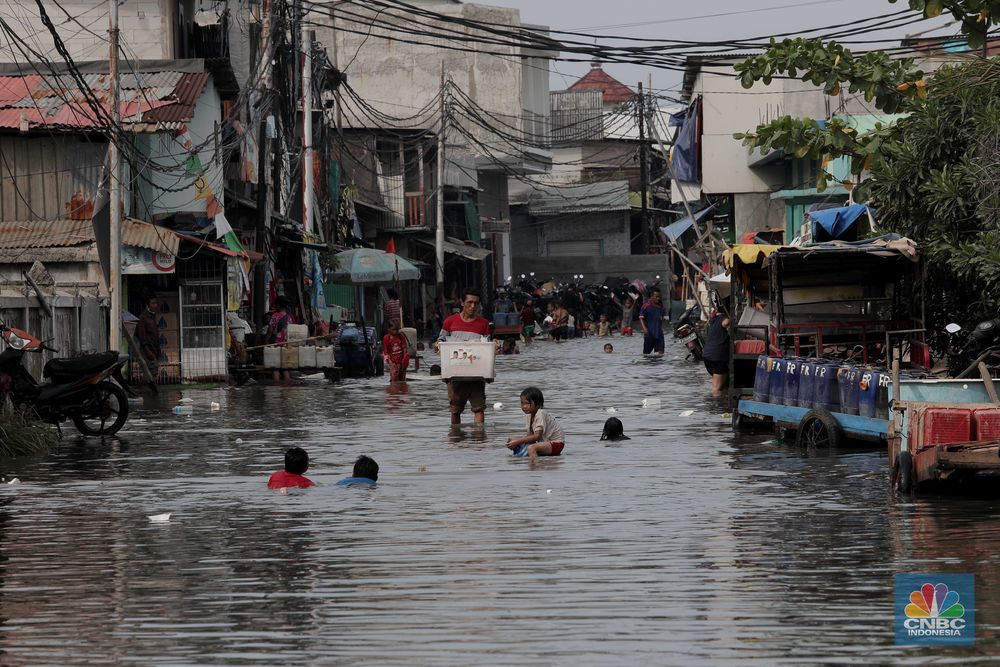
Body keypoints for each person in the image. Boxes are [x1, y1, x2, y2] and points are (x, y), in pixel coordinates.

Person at [434, 288, 491, 425]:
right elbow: (441, 341)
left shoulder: (483, 324)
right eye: (469, 302)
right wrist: (438, 345)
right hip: (455, 373)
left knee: (479, 409)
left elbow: (487, 346)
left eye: (476, 303)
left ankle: (479, 439)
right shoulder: (450, 322)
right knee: (455, 410)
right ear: (462, 302)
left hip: (477, 373)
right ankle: (456, 438)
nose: (473, 306)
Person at [506, 386, 566, 462]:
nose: (524, 406)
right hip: (545, 443)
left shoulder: (540, 413)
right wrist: (514, 441)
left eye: (527, 403)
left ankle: (535, 467)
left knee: (531, 448)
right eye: (522, 403)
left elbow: (537, 436)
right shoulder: (528, 415)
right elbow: (530, 436)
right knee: (514, 441)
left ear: (538, 405)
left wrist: (518, 441)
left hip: (556, 444)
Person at [702, 306, 732, 396]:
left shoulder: (713, 320)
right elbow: (725, 323)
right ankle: (716, 407)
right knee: (717, 388)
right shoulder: (724, 319)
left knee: (723, 383)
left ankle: (722, 404)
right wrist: (731, 320)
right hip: (717, 356)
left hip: (708, 355)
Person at [266, 295, 293, 384]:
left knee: (275, 367)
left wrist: (266, 341)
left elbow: (270, 331)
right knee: (285, 367)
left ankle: (276, 387)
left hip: (276, 344)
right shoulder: (289, 317)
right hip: (286, 344)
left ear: (278, 305)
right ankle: (287, 386)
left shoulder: (275, 316)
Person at [135, 296, 161, 382]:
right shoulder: (143, 317)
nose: (155, 305)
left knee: (152, 373)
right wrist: (147, 350)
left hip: (154, 349)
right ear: (148, 305)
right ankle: (145, 392)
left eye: (156, 303)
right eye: (153, 303)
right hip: (148, 350)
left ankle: (146, 392)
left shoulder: (152, 317)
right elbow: (142, 336)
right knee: (151, 373)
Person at [639, 288, 666, 355]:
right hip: (649, 333)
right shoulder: (646, 306)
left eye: (659, 297)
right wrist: (644, 328)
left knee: (660, 353)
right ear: (652, 296)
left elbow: (661, 318)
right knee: (646, 354)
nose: (658, 298)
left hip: (659, 334)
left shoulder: (661, 306)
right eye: (656, 296)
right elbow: (641, 318)